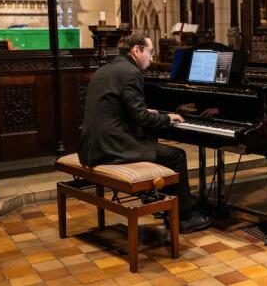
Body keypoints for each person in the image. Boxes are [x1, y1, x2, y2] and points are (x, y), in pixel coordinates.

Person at [78, 32, 212, 234]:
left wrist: (145, 113)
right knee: (177, 156)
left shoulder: (107, 69)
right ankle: (183, 218)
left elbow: (119, 109)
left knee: (152, 140)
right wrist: (168, 118)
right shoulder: (131, 73)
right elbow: (140, 119)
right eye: (150, 52)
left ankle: (167, 206)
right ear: (136, 50)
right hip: (110, 147)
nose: (152, 57)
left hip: (92, 145)